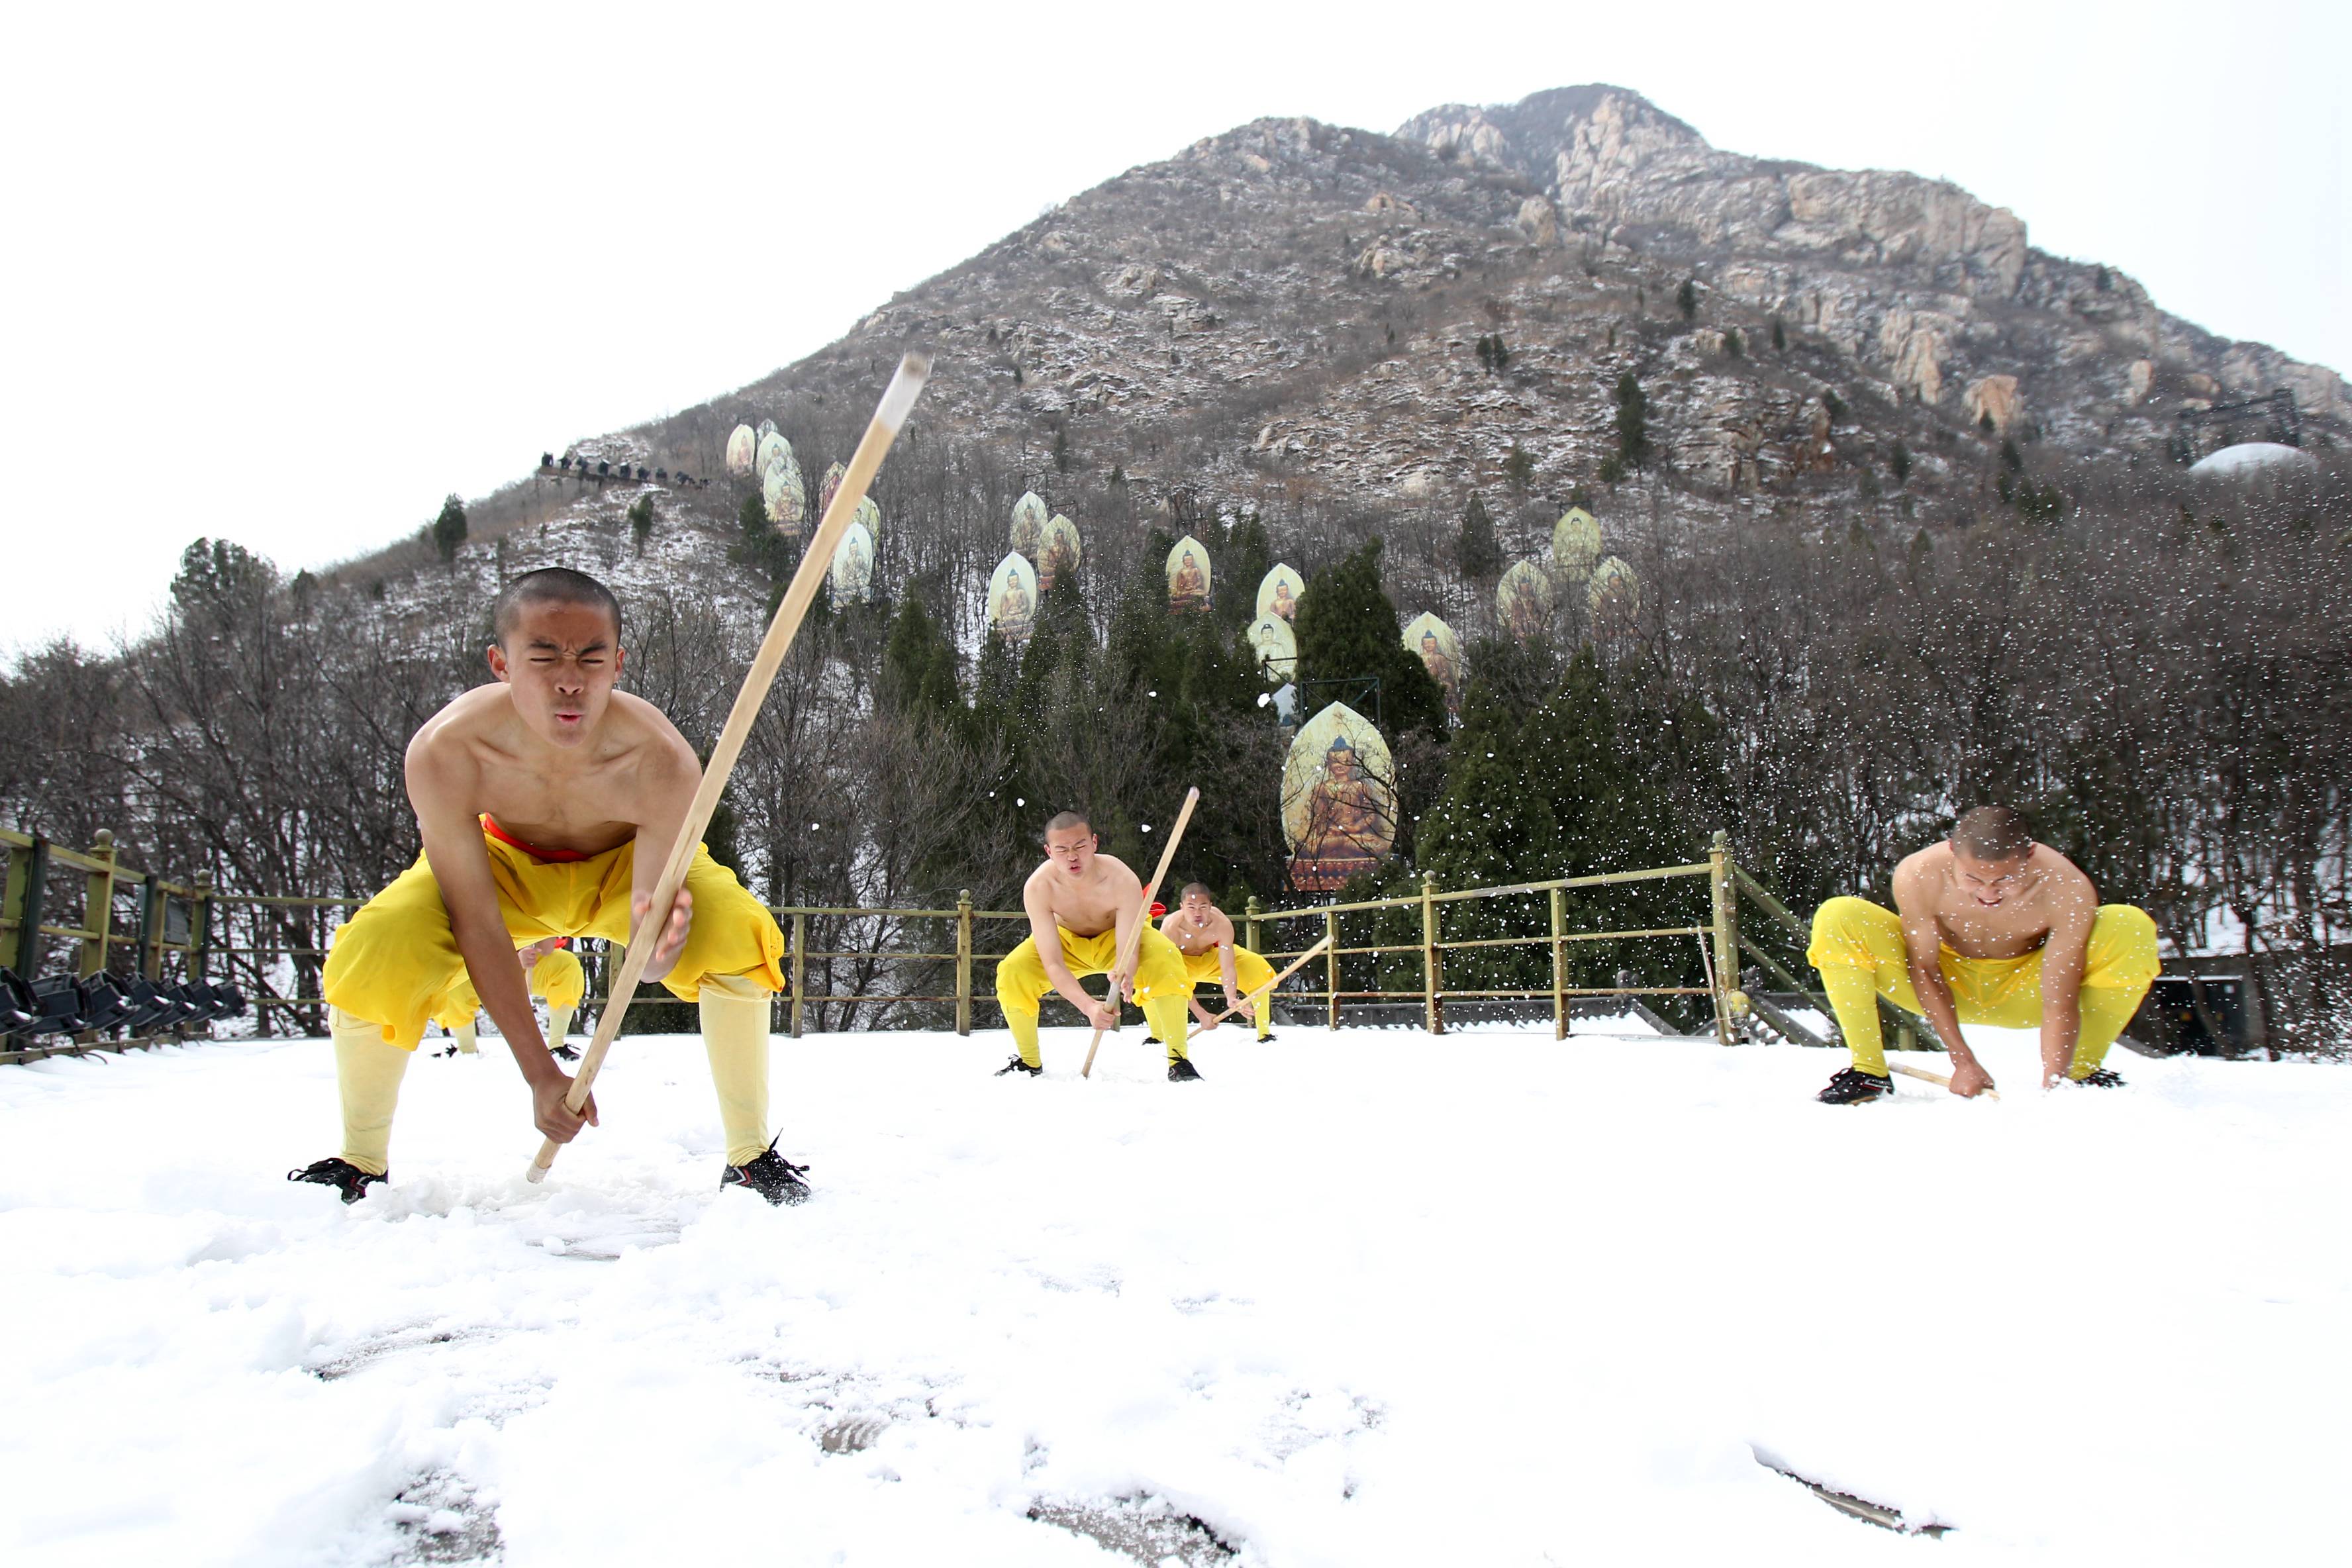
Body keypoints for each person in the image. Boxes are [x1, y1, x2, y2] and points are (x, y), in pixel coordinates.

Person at [289, 567, 808, 1204]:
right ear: (500, 663)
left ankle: (750, 1157)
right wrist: (540, 1074)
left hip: (621, 867)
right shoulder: (446, 751)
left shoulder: (661, 759)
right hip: (500, 866)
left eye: (591, 658)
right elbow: (477, 923)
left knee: (736, 928)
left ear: (618, 662)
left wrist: (658, 947)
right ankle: (360, 1159)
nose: (569, 679)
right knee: (377, 944)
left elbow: (649, 963)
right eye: (543, 657)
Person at [1807, 805, 2159, 1103]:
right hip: (1945, 984)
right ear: (1952, 852)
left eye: (2006, 879)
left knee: (2129, 924)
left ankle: (2078, 1076)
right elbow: (1925, 969)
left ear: (2029, 855)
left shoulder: (2066, 885)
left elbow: (2059, 994)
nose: (1989, 893)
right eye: (1974, 879)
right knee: (1840, 915)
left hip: (2028, 992)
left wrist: (2055, 1087)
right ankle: (1869, 1073)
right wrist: (1963, 1061)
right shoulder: (1918, 873)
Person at [993, 810, 1200, 1082]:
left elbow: (1129, 942)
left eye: (1080, 846)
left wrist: (1126, 971)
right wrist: (1089, 1007)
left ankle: (1179, 1060)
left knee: (1167, 958)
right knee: (1012, 971)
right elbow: (1052, 962)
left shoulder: (1121, 878)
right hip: (1065, 942)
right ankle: (1029, 1062)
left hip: (1116, 939)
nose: (1072, 856)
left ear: (1094, 843)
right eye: (1062, 849)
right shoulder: (1038, 888)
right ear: (1048, 851)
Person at [1161, 884, 1277, 1042]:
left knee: (1255, 964)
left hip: (1212, 960)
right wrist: (1201, 1014)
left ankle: (1264, 1033)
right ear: (1181, 907)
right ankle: (1158, 1036)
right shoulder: (1170, 928)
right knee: (1151, 972)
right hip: (1181, 964)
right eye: (1191, 907)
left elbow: (1228, 967)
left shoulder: (1221, 924)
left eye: (1203, 907)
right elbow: (1173, 976)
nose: (1197, 913)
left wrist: (1231, 998)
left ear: (1211, 906)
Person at [438, 937, 584, 1059]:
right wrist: (512, 959)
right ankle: (466, 1050)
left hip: (526, 966)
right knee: (453, 982)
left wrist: (537, 941)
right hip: (481, 966)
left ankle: (557, 1046)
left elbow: (547, 948)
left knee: (567, 965)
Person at [1288, 735, 1389, 891]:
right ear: (1328, 764)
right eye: (1335, 761)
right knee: (1306, 848)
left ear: (1353, 762)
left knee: (1380, 846)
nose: (1340, 765)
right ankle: (1343, 845)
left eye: (1345, 761)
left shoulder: (1360, 787)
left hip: (1355, 835)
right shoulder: (1322, 788)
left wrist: (1355, 829)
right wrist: (1325, 832)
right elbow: (1318, 818)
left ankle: (1344, 845)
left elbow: (1371, 815)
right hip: (1331, 837)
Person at [1169, 550, 1208, 614]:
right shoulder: (1181, 572)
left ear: (1192, 561)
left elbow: (1200, 581)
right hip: (1185, 591)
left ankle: (1187, 602)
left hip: (1194, 591)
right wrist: (1179, 592)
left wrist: (1194, 586)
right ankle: (1191, 602)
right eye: (1186, 560)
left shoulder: (1195, 570)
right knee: (1175, 596)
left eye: (1189, 560)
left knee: (1202, 594)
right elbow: (1179, 584)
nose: (1188, 562)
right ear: (1183, 562)